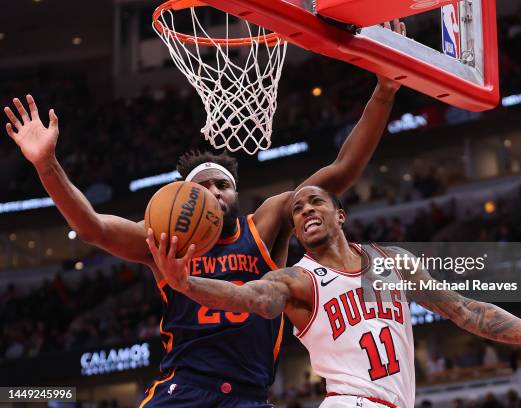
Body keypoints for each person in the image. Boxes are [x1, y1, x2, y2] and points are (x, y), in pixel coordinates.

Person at [3, 21, 404, 407]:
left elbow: (343, 169)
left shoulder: (266, 223)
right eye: (203, 188)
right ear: (184, 196)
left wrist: (384, 90)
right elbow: (92, 227)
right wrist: (46, 166)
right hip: (183, 388)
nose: (214, 193)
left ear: (236, 194)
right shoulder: (161, 237)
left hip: (249, 395)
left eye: (222, 186)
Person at [149, 185, 521, 408]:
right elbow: (250, 298)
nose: (305, 210)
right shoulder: (298, 280)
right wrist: (187, 284)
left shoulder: (391, 262)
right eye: (298, 209)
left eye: (315, 202)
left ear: (339, 214)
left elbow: (466, 311)